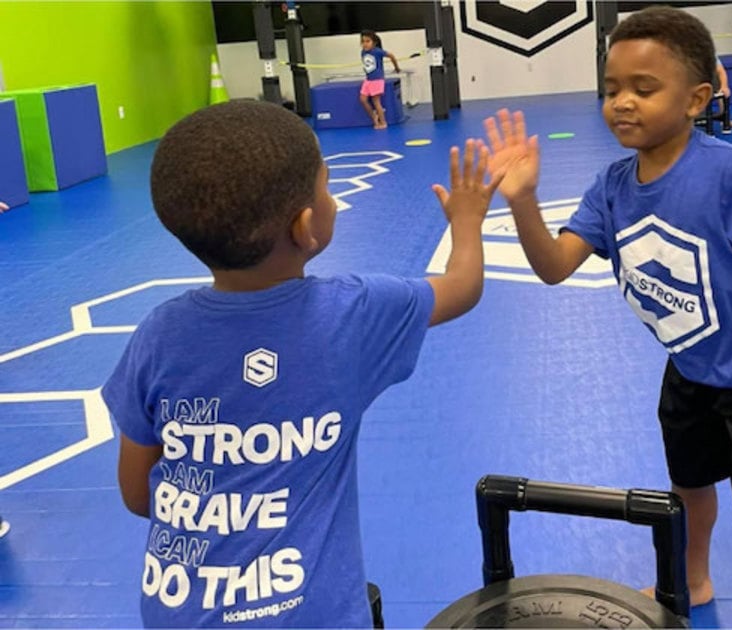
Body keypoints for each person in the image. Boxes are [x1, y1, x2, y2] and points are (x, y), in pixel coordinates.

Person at [482, 6, 732, 628]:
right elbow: (554, 266)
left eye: (644, 89)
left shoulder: (727, 173)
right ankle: (693, 579)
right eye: (612, 89)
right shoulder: (612, 186)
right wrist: (524, 201)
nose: (622, 102)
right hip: (691, 371)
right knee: (689, 490)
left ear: (696, 99)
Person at [101, 100, 501, 627]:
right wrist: (468, 220)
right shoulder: (353, 314)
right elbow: (462, 287)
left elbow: (137, 493)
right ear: (306, 227)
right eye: (327, 186)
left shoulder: (158, 334)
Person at [360, 30, 400, 129]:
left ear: (374, 42)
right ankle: (374, 115)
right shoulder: (363, 52)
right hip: (368, 80)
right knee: (363, 99)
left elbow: (391, 56)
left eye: (367, 41)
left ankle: (383, 122)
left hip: (377, 80)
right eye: (363, 41)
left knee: (376, 102)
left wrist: (396, 67)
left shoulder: (377, 51)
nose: (365, 44)